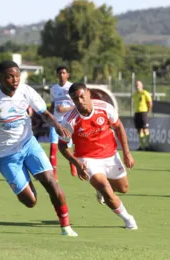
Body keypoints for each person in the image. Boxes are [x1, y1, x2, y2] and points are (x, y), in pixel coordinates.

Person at [0, 60, 78, 237]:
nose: (15, 80)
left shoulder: (26, 91)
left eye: (17, 76)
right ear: (0, 77)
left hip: (29, 145)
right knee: (30, 201)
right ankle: (24, 181)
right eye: (10, 77)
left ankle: (65, 227)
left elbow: (44, 113)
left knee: (51, 182)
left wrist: (58, 126)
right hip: (5, 155)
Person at [58, 83, 138, 230]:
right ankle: (128, 219)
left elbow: (119, 127)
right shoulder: (69, 121)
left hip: (110, 155)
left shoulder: (105, 108)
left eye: (82, 96)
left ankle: (100, 188)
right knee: (106, 189)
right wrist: (76, 163)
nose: (80, 101)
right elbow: (62, 146)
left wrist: (127, 153)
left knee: (123, 188)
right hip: (87, 159)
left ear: (88, 93)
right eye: (76, 99)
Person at [49, 66, 77, 181]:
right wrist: (50, 118)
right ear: (57, 75)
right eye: (59, 73)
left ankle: (72, 163)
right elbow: (52, 105)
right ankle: (54, 173)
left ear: (67, 75)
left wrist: (64, 109)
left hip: (67, 122)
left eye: (64, 73)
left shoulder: (72, 87)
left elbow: (76, 105)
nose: (61, 75)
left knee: (66, 147)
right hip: (56, 122)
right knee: (53, 147)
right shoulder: (53, 89)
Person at [132, 80, 152, 151]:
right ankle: (141, 146)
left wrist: (148, 111)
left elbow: (149, 102)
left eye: (138, 85)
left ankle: (147, 146)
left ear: (142, 86)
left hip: (144, 113)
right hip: (137, 113)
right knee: (139, 130)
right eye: (136, 85)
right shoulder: (134, 94)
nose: (137, 86)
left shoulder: (145, 93)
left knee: (145, 129)